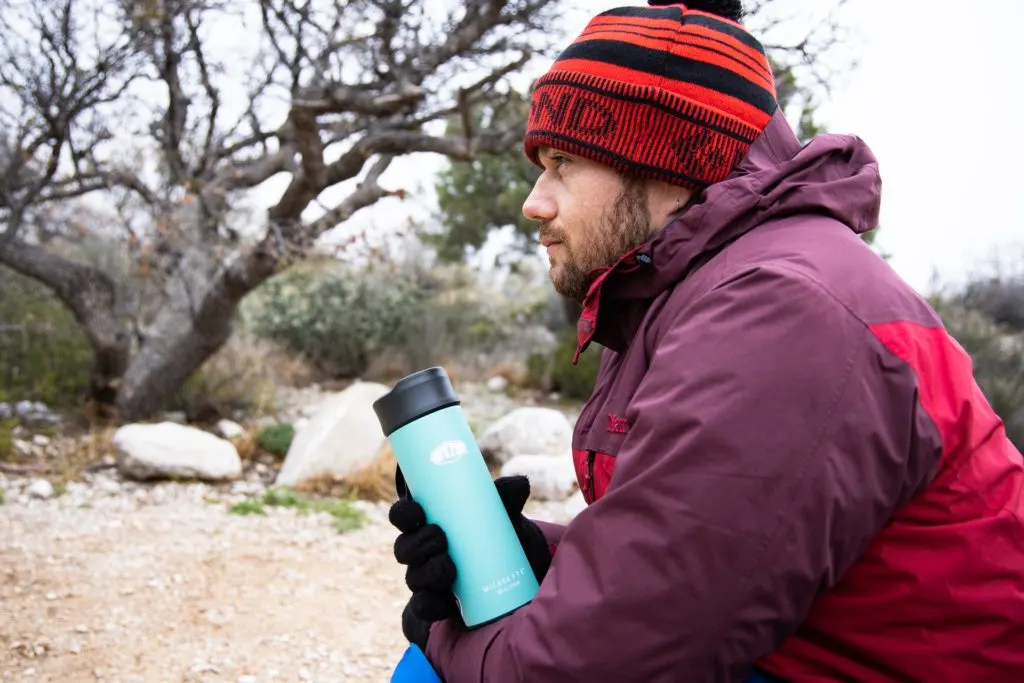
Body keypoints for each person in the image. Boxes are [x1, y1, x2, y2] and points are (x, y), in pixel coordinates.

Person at [388, 0, 1024, 681]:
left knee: (436, 669)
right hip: (815, 650)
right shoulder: (698, 288)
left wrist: (445, 638)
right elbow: (715, 560)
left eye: (565, 163)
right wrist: (536, 553)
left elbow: (611, 662)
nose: (534, 201)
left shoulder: (782, 310)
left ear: (664, 164)